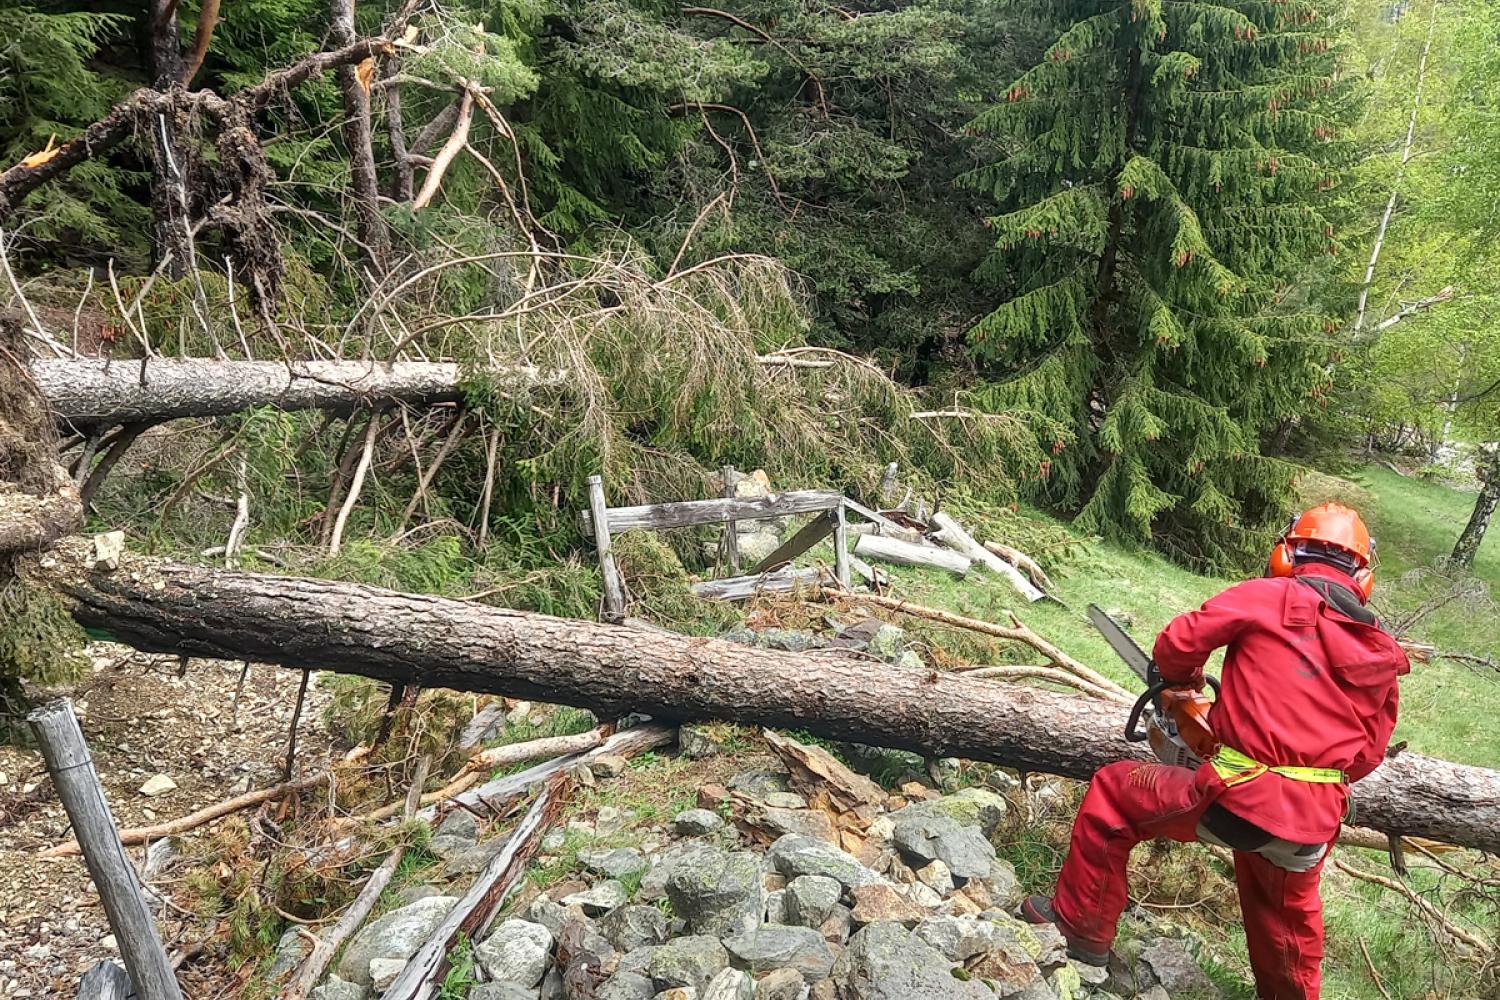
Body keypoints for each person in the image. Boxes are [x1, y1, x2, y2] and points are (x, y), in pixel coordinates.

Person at [1021, 502, 1409, 999]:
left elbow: (1179, 643)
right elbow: (1368, 755)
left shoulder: (1266, 597)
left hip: (1236, 798)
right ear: (1363, 575)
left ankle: (1080, 928)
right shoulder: (1381, 650)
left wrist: (1179, 686)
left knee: (1114, 794)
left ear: (1286, 554)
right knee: (1286, 921)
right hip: (1311, 824)